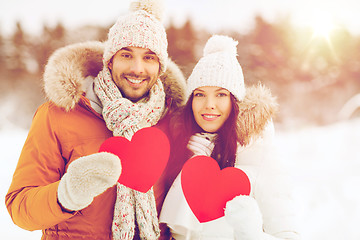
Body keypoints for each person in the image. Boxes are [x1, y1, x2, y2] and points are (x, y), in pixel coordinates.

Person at [5, 0, 186, 239]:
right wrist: (67, 194)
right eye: (127, 54)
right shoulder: (59, 115)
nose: (137, 68)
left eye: (149, 57)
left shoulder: (171, 121)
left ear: (160, 66)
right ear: (109, 60)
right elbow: (20, 208)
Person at [159, 35, 301, 239]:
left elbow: (287, 233)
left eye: (221, 94)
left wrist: (251, 234)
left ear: (235, 101)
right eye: (200, 94)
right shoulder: (180, 147)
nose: (209, 104)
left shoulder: (259, 153)